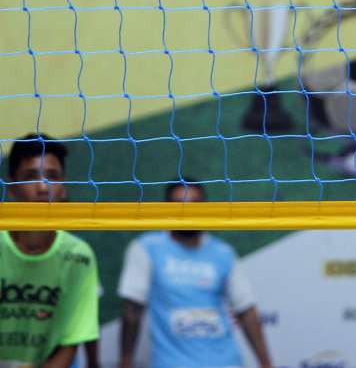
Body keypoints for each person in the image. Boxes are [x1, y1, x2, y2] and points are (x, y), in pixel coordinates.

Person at [117, 181, 273, 368]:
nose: (187, 211)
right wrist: (125, 362)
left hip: (226, 363)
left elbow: (246, 310)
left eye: (195, 205)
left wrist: (266, 364)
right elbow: (132, 311)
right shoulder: (146, 248)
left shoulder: (223, 253)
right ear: (166, 209)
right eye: (179, 205)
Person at [0, 135, 99, 368]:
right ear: (12, 186)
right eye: (30, 177)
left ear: (63, 186)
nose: (43, 187)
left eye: (52, 177)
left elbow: (71, 341)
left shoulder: (79, 256)